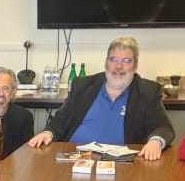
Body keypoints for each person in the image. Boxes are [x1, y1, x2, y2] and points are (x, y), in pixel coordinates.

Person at [25, 36, 174, 161]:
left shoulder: (147, 91)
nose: (118, 66)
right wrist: (48, 133)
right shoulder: (83, 86)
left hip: (122, 165)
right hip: (74, 158)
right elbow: (60, 119)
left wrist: (156, 142)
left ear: (135, 66)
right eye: (113, 59)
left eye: (126, 60)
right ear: (106, 62)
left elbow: (164, 128)